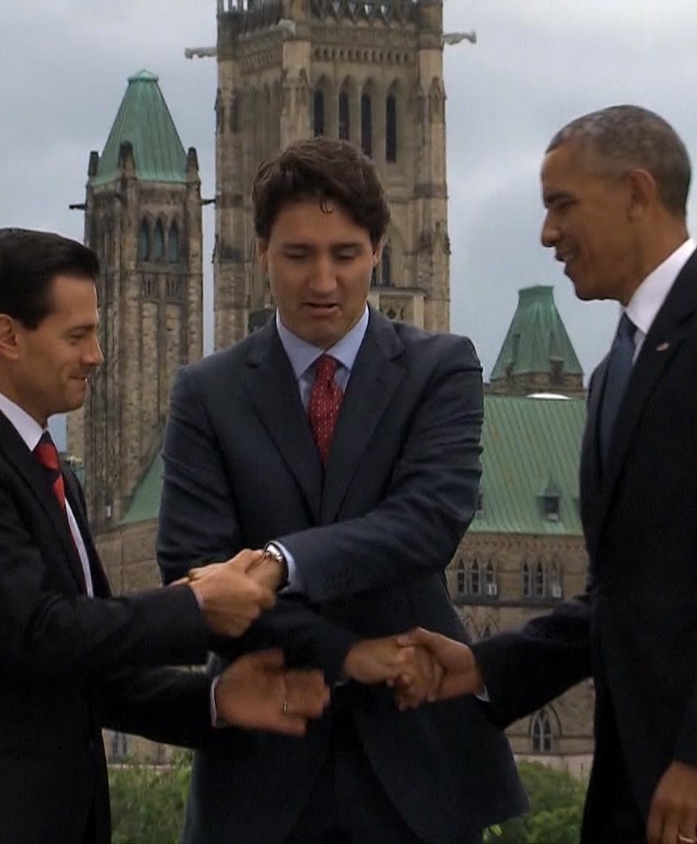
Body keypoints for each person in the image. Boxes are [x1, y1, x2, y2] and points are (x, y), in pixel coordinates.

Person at [393, 105, 697, 844]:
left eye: (562, 207)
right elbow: (620, 597)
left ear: (635, 192)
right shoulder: (612, 370)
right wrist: (482, 666)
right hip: (652, 781)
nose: (546, 235)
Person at [0, 228, 331, 844]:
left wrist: (215, 701)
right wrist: (197, 606)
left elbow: (94, 666)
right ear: (7, 337)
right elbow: (39, 632)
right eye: (77, 336)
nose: (97, 355)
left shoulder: (48, 469)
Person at [156, 137, 526, 844]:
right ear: (260, 250)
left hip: (420, 765)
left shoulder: (440, 369)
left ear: (379, 250)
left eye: (344, 255)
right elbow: (195, 571)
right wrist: (345, 653)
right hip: (261, 774)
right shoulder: (206, 393)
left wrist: (279, 562)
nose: (322, 280)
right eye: (298, 256)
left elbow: (427, 522)